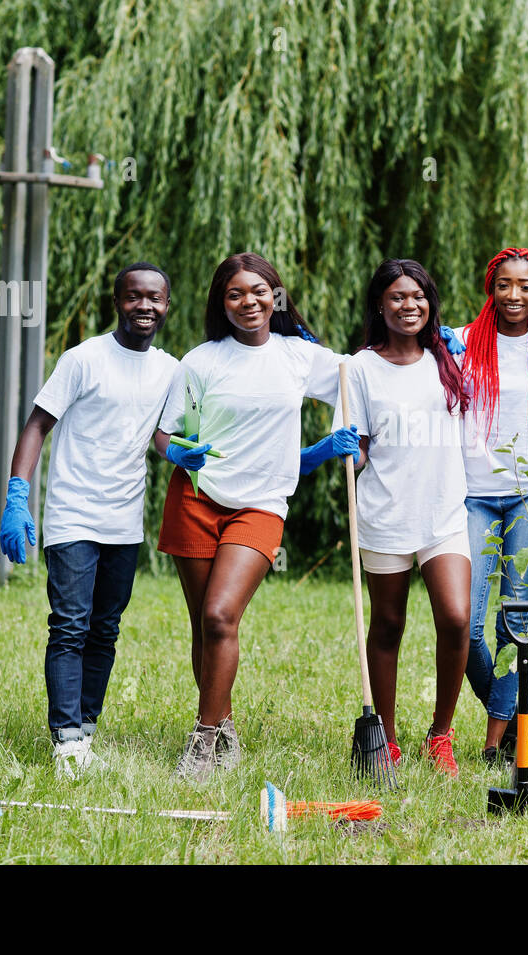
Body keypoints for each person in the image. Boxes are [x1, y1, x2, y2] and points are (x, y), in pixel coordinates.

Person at [156, 252, 357, 781]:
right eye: (235, 294)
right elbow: (163, 429)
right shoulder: (200, 360)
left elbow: (359, 379)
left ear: (277, 296)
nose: (249, 302)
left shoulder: (298, 356)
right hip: (196, 498)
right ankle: (222, 728)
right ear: (222, 304)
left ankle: (202, 741)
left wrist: (442, 338)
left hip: (261, 504)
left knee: (222, 615)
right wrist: (175, 451)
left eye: (258, 291)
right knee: (205, 627)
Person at [0, 262, 204, 778]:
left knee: (105, 629)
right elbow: (37, 425)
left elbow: (159, 437)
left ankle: (84, 730)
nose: (145, 306)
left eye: (155, 298)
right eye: (135, 296)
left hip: (123, 518)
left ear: (167, 305)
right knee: (69, 624)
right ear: (118, 301)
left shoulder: (171, 370)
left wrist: (180, 452)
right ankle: (65, 739)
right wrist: (17, 495)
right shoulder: (84, 358)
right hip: (72, 512)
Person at [336, 258, 471, 775]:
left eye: (417, 296)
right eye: (396, 297)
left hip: (443, 512)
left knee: (456, 618)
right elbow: (362, 451)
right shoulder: (359, 369)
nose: (408, 305)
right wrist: (349, 452)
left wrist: (455, 341)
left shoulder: (450, 359)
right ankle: (385, 737)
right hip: (385, 514)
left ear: (429, 302)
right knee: (388, 624)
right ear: (380, 305)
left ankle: (440, 734)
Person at [455, 248, 528, 764]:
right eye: (503, 284)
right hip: (473, 494)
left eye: (524, 286)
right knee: (466, 622)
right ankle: (501, 700)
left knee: (515, 621)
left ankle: (495, 744)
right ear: (489, 287)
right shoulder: (462, 344)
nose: (513, 295)